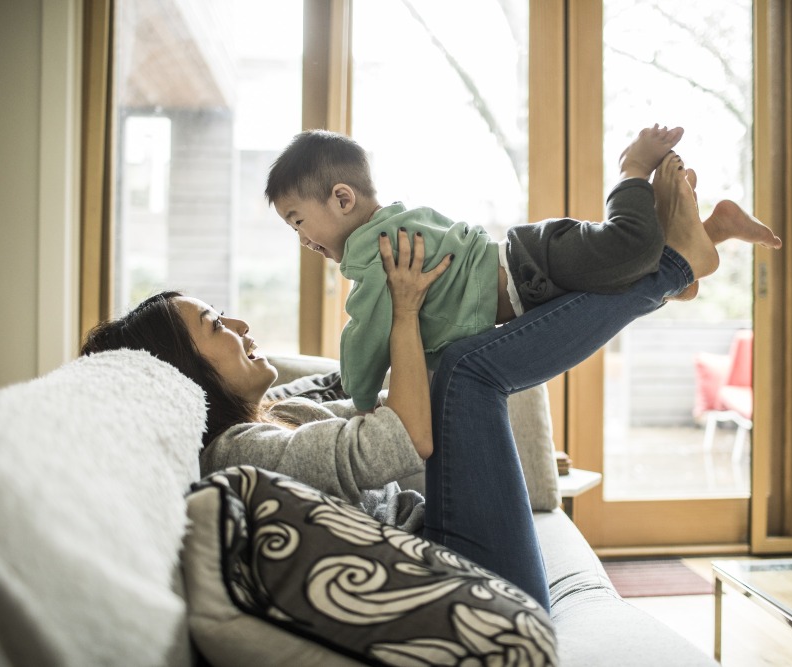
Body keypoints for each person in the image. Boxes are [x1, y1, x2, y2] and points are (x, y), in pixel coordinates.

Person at [79, 159, 754, 609]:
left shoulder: (277, 408)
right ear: (189, 371)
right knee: (466, 371)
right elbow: (404, 433)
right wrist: (401, 310)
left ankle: (665, 267)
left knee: (455, 349)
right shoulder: (242, 455)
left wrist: (421, 302)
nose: (240, 321)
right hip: (466, 583)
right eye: (214, 326)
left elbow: (359, 382)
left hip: (453, 543)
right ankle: (666, 268)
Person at [265, 126, 782, 411]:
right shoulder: (395, 222)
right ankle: (712, 229)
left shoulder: (377, 256)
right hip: (533, 279)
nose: (302, 239)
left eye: (297, 220)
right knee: (639, 277)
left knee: (632, 249)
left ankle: (632, 170)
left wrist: (351, 390)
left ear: (341, 198)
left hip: (532, 264)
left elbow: (362, 349)